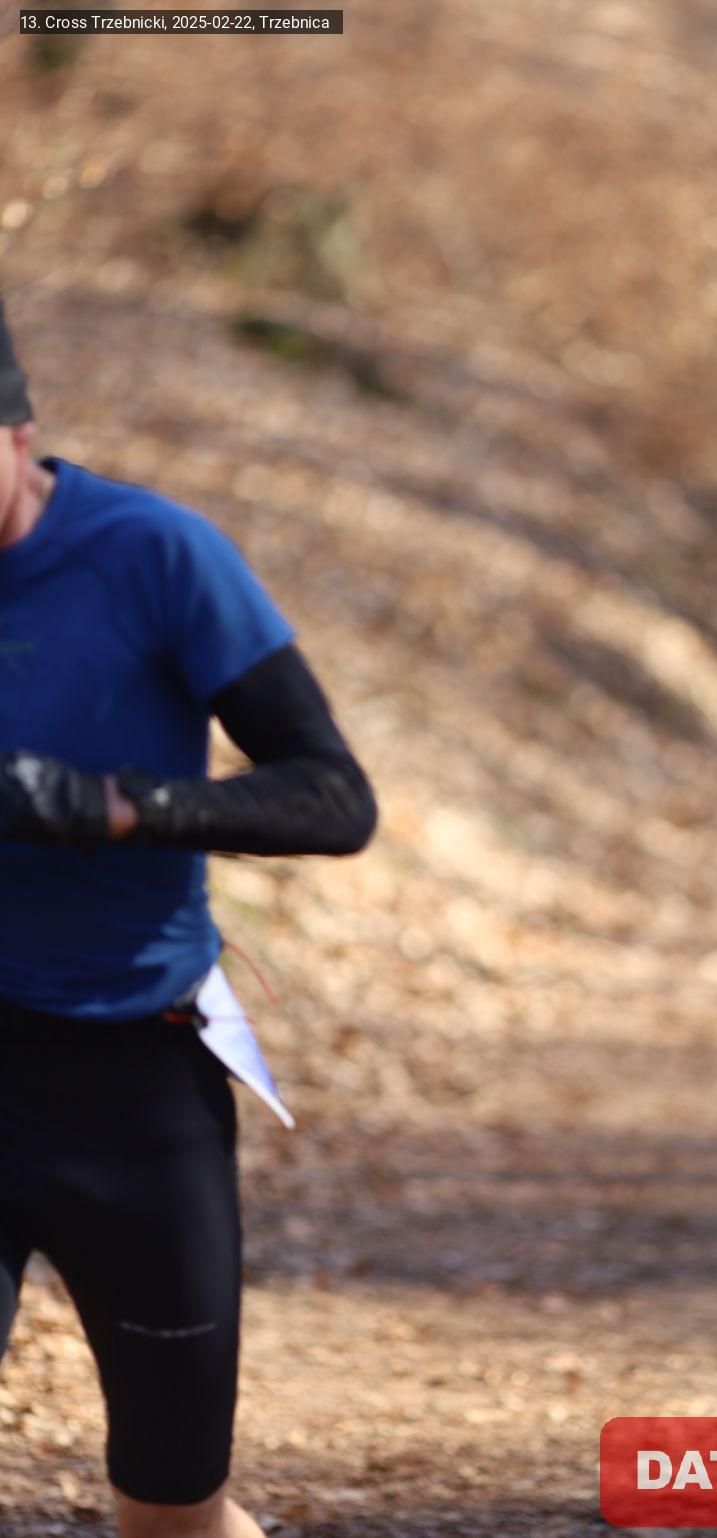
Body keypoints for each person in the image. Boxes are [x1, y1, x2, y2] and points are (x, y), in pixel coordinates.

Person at [0, 298, 378, 1538]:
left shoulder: (153, 554)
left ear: (19, 429)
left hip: (132, 1076)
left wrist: (119, 808)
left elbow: (332, 797)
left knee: (171, 1505)